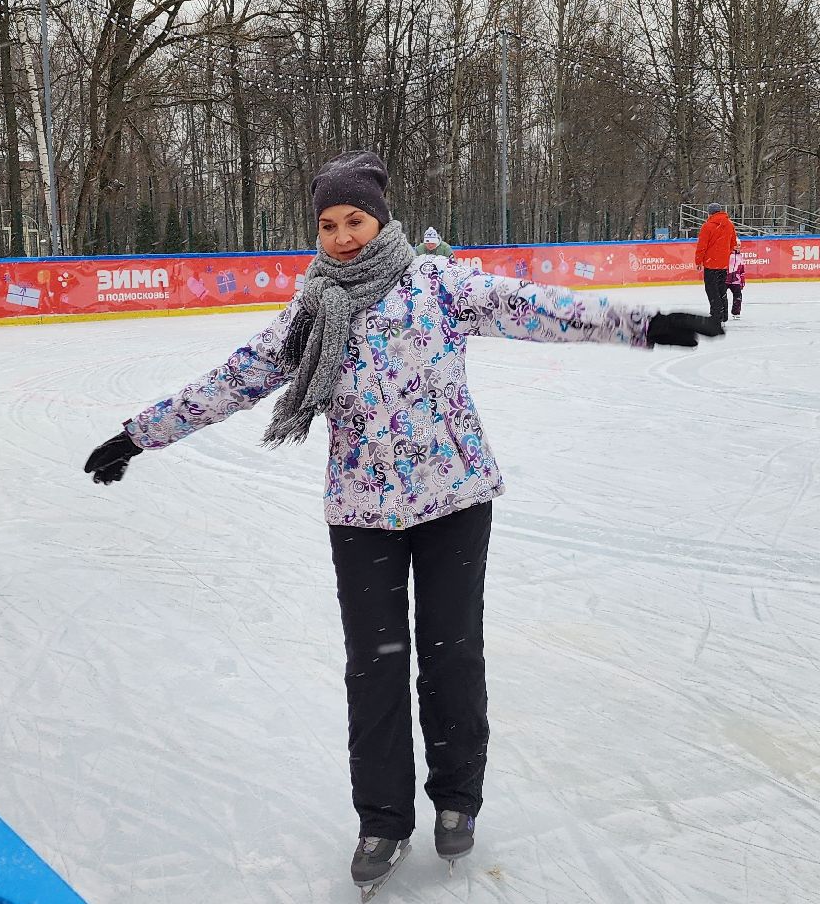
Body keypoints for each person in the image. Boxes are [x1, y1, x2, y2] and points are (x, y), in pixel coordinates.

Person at [82, 150, 722, 895]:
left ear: (381, 219)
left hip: (455, 502)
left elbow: (537, 308)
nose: (342, 236)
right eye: (328, 224)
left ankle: (456, 799)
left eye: (354, 220)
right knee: (374, 667)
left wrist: (643, 323)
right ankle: (383, 819)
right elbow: (236, 377)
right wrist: (138, 435)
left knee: (452, 656)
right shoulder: (311, 311)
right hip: (361, 513)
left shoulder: (438, 285)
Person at [694, 202, 737, 325]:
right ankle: (723, 316)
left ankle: (716, 316)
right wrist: (724, 254)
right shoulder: (729, 225)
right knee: (722, 290)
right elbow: (733, 243)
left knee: (712, 291)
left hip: (711, 264)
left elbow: (702, 246)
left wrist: (698, 260)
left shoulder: (707, 226)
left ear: (710, 213)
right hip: (723, 264)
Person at [726, 242, 747, 318]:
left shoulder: (740, 256)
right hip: (725, 279)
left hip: (736, 280)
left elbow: (742, 269)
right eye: (736, 245)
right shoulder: (727, 254)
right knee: (721, 296)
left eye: (739, 245)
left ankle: (736, 313)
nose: (738, 247)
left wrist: (742, 280)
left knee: (738, 296)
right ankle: (721, 313)